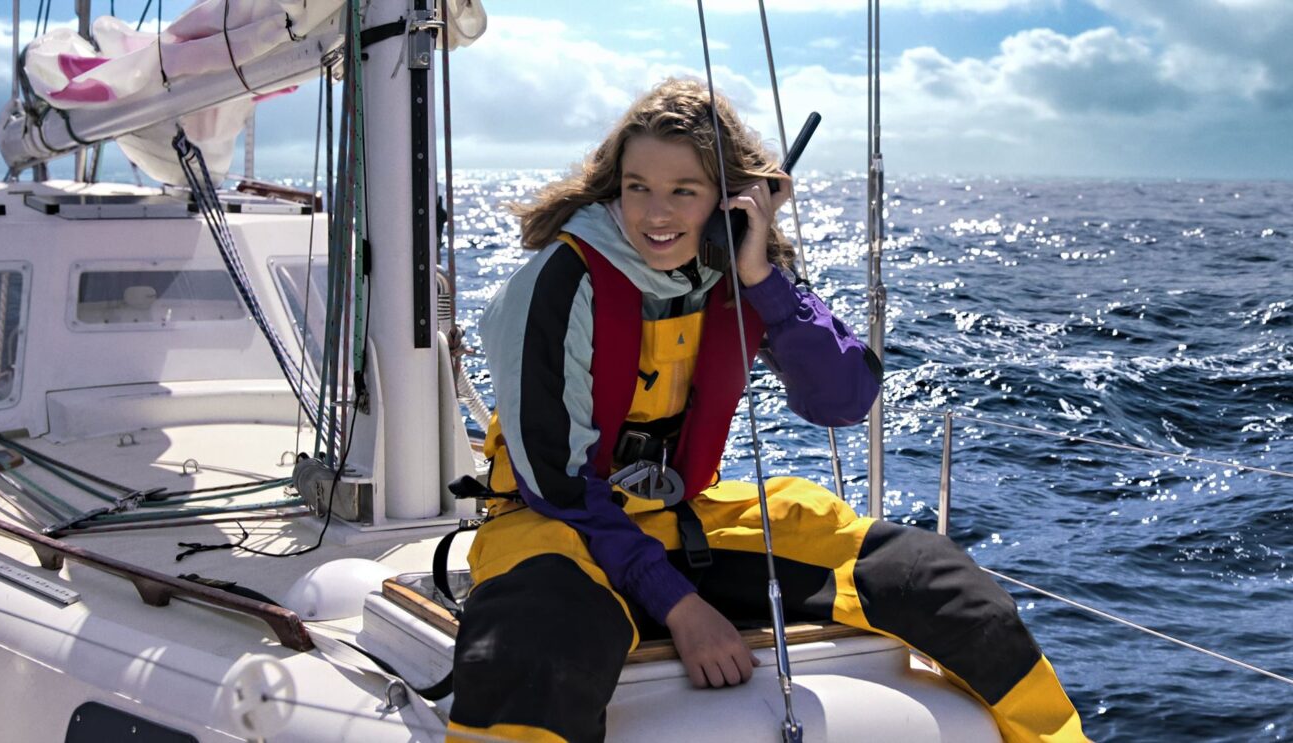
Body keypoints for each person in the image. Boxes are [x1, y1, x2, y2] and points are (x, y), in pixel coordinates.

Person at [448, 77, 1087, 743]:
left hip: (680, 517)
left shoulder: (738, 271)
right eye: (637, 187)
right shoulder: (559, 282)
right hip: (555, 523)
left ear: (729, 199)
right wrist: (680, 606)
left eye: (684, 191)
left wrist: (760, 276)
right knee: (536, 639)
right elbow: (559, 485)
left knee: (930, 576)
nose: (655, 213)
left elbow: (843, 399)